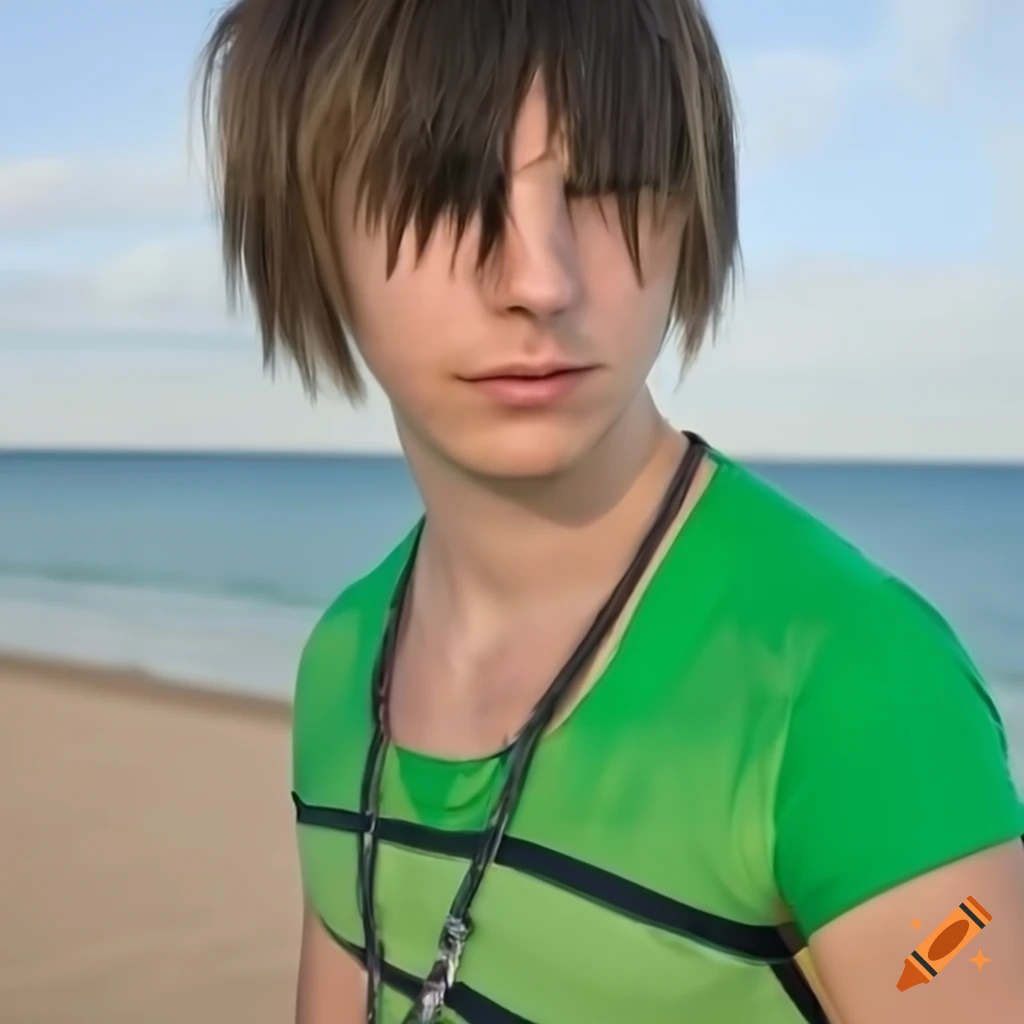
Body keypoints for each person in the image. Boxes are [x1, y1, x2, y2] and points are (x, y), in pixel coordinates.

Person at [196, 1, 1024, 1021]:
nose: (540, 280)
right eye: (447, 184)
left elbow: (959, 967)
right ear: (306, 225)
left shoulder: (850, 686)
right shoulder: (342, 663)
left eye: (605, 186)